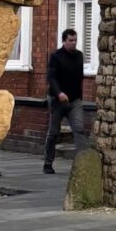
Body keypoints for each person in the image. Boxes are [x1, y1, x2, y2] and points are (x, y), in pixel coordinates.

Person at [42, 28, 86, 174]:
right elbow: (51, 77)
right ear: (64, 41)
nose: (73, 43)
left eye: (75, 40)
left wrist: (79, 95)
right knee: (54, 132)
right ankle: (48, 163)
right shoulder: (56, 56)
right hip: (57, 100)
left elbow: (79, 77)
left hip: (74, 100)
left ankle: (83, 163)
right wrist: (59, 92)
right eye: (70, 41)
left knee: (79, 129)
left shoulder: (79, 56)